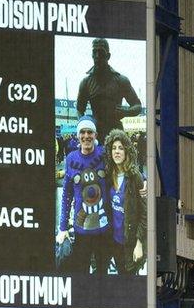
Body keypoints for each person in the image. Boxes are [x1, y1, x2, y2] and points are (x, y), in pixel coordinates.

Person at [57, 115, 110, 275]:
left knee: (102, 274)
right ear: (78, 135)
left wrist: (142, 180)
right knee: (81, 274)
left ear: (95, 135)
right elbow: (67, 194)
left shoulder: (105, 154)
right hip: (82, 231)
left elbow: (124, 168)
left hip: (105, 229)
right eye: (83, 132)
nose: (86, 136)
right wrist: (63, 227)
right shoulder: (71, 158)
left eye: (90, 132)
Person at [75, 38, 143, 135]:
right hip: (96, 133)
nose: (97, 56)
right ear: (92, 55)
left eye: (101, 52)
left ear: (108, 56)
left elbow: (138, 105)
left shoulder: (121, 80)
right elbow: (79, 109)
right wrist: (84, 126)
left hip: (116, 133)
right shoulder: (85, 82)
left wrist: (126, 112)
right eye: (95, 52)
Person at [103, 129, 146, 274]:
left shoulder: (135, 177)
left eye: (120, 148)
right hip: (112, 240)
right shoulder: (108, 175)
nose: (117, 152)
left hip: (130, 243)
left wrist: (139, 243)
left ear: (127, 151)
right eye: (114, 148)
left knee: (128, 281)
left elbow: (144, 214)